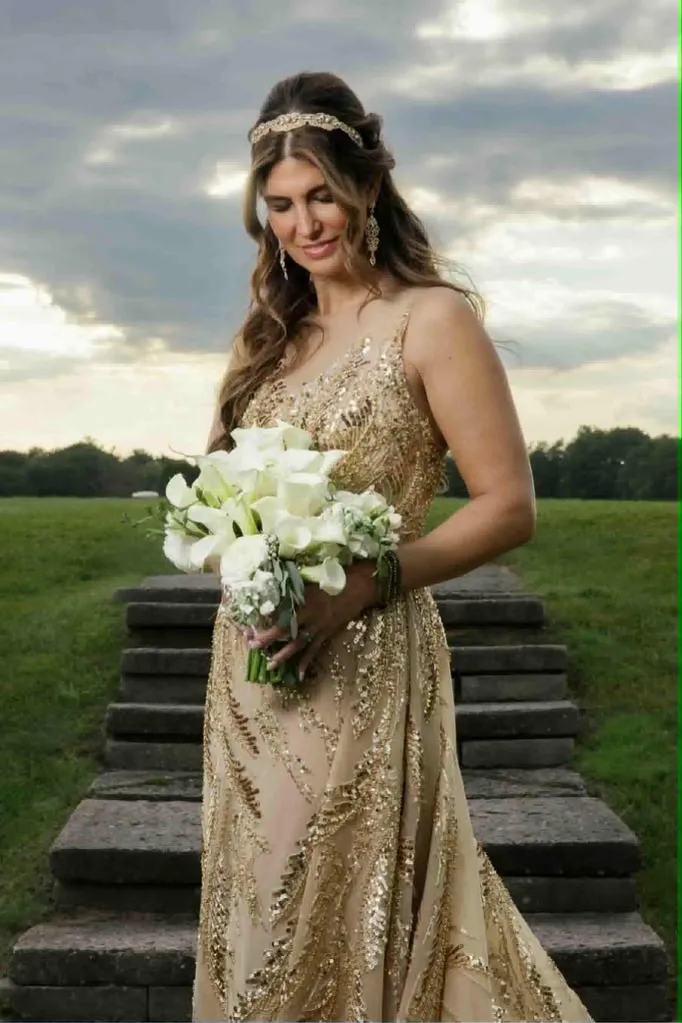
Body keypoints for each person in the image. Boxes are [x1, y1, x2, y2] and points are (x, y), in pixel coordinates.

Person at [192, 71, 592, 1023]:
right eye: (281, 204)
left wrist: (358, 588)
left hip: (364, 662)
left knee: (334, 907)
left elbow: (507, 506)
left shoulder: (432, 318)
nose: (304, 223)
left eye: (322, 193)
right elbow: (221, 490)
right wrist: (236, 553)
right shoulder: (269, 335)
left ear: (368, 185)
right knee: (252, 913)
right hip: (251, 674)